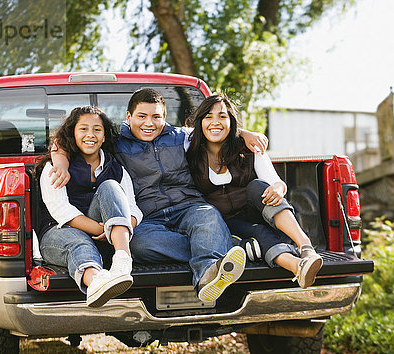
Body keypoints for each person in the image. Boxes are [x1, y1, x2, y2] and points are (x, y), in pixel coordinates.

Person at [50, 89, 268, 302]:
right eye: (142, 116)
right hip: (149, 215)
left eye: (156, 117)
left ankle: (206, 279)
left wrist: (245, 133)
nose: (149, 123)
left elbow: (216, 129)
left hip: (189, 206)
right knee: (139, 245)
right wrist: (60, 162)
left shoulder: (180, 137)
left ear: (164, 117)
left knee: (209, 216)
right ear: (129, 117)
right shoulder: (115, 142)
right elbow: (68, 140)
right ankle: (222, 246)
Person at [186, 94, 323, 289]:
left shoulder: (250, 147)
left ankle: (306, 247)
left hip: (259, 213)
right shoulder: (189, 148)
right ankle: (298, 266)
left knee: (257, 186)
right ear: (199, 122)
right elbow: (168, 130)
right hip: (225, 223)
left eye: (222, 116)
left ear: (231, 121)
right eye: (208, 116)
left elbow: (276, 182)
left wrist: (278, 188)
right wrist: (243, 131)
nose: (215, 122)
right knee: (258, 234)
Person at [35, 106, 142, 307]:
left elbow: (133, 209)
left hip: (107, 238)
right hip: (58, 233)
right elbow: (61, 211)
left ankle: (122, 261)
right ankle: (97, 283)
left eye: (97, 130)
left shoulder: (116, 168)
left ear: (104, 137)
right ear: (73, 134)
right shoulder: (56, 167)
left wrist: (121, 228)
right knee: (79, 243)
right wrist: (105, 229)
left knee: (110, 186)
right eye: (83, 129)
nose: (90, 135)